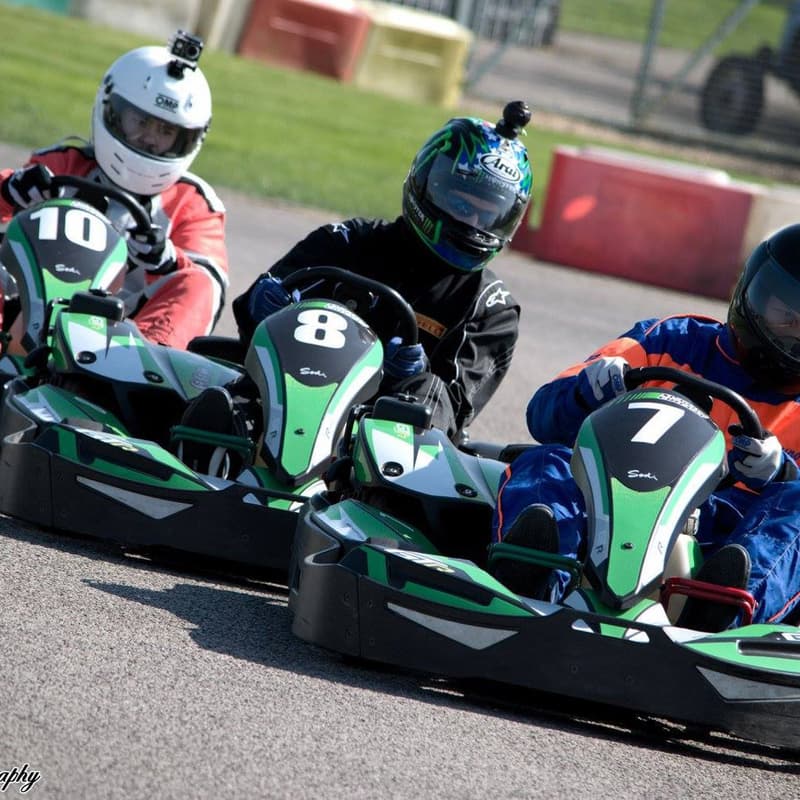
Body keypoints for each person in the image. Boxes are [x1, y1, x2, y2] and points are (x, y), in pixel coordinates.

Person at [491, 223, 800, 632]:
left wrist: (782, 472)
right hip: (616, 502)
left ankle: (721, 611)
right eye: (786, 317)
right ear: (752, 296)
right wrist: (588, 389)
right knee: (546, 461)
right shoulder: (670, 340)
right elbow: (544, 417)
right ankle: (537, 576)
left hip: (729, 534)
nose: (793, 334)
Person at [230, 101, 533, 443]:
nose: (473, 225)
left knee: (427, 389)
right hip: (288, 401)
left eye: (489, 215)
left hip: (381, 441)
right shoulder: (346, 242)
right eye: (462, 205)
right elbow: (251, 315)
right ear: (426, 184)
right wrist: (264, 305)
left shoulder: (491, 309)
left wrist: (410, 378)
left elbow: (454, 408)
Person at [0, 30, 228, 350]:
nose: (150, 139)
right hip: (31, 306)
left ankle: (146, 374)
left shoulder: (194, 203)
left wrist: (165, 261)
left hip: (123, 336)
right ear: (111, 109)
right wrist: (10, 191)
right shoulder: (64, 163)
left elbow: (208, 289)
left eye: (165, 131)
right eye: (140, 122)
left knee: (198, 284)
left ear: (189, 138)